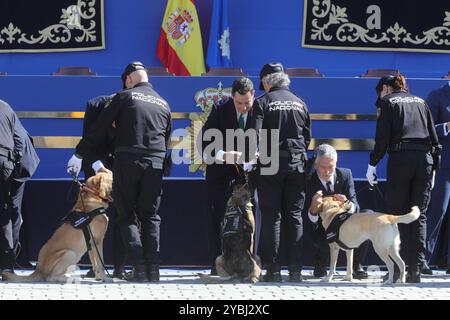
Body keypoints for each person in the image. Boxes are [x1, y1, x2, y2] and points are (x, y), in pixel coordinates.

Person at [67, 61, 172, 282]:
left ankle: (139, 268)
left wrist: (79, 153)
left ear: (130, 79)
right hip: (155, 163)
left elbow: (100, 127)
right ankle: (154, 270)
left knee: (126, 215)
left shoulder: (125, 97)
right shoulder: (163, 103)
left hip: (128, 162)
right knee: (151, 216)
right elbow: (167, 140)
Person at [366, 75, 441, 283]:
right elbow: (434, 138)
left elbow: (382, 138)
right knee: (419, 215)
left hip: (401, 161)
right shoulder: (421, 101)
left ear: (386, 89)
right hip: (424, 161)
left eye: (380, 91)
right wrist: (434, 167)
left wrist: (373, 164)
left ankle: (398, 270)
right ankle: (416, 269)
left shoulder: (388, 103)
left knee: (396, 216)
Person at [254, 62, 311, 282]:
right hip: (297, 163)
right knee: (295, 216)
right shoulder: (300, 103)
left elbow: (254, 134)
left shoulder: (263, 102)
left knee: (272, 217)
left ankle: (273, 269)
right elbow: (306, 137)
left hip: (271, 164)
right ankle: (296, 270)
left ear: (268, 82)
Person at [201, 77, 257, 274]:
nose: (243, 107)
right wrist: (224, 155)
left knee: (251, 219)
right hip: (220, 176)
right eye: (239, 103)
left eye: (247, 103)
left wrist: (258, 157)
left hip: (249, 177)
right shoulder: (220, 111)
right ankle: (217, 265)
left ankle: (249, 265)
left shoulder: (259, 111)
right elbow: (205, 145)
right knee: (216, 218)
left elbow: (270, 143)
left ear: (253, 97)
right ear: (232, 97)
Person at [77, 94, 127, 279]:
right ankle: (95, 266)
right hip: (98, 169)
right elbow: (89, 140)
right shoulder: (95, 105)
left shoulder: (128, 106)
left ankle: (120, 267)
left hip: (122, 167)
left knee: (123, 216)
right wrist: (98, 166)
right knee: (94, 222)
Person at [306, 144, 368, 279]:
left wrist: (347, 204)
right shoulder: (308, 179)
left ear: (336, 164)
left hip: (346, 224)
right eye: (323, 167)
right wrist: (313, 209)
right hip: (322, 227)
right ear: (316, 165)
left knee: (367, 215)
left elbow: (356, 206)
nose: (327, 171)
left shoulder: (345, 174)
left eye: (331, 167)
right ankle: (321, 264)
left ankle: (355, 266)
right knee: (310, 225)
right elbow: (305, 217)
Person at [425, 81, 450, 274]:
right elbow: (426, 127)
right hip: (445, 165)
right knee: (438, 211)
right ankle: (422, 259)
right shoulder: (437, 95)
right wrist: (447, 126)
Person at [9, 118, 40, 269]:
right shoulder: (6, 110)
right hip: (17, 163)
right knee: (13, 213)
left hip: (17, 167)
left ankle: (11, 259)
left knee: (12, 213)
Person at [0, 99, 23, 275]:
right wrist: (12, 161)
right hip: (5, 162)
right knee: (4, 212)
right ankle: (7, 265)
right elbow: (19, 140)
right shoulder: (6, 106)